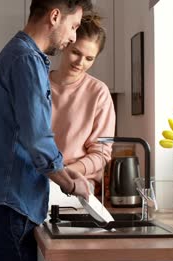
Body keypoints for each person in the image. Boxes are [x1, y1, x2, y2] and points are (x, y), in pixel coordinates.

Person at [0, 1, 93, 261]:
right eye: (74, 26)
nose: (74, 36)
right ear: (55, 16)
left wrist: (65, 170)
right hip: (8, 208)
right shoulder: (27, 59)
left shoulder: (16, 54)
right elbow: (37, 138)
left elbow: (25, 135)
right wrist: (69, 184)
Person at [49, 13, 116, 204]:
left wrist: (63, 173)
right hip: (34, 182)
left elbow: (101, 153)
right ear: (65, 45)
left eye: (89, 58)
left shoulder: (98, 92)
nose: (80, 63)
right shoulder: (38, 84)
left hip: (76, 186)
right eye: (76, 53)